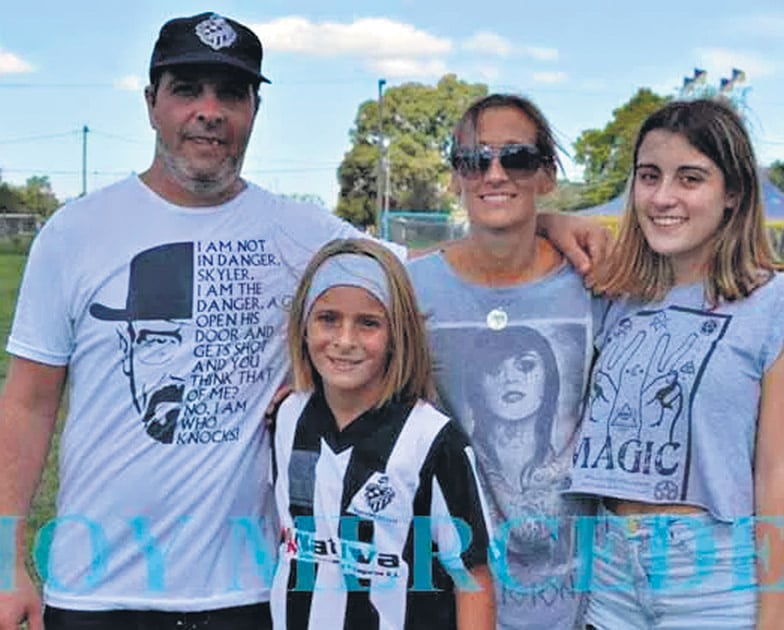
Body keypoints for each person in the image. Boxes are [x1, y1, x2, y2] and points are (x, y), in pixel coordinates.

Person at [0, 12, 606, 630]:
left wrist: (541, 221)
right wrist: (5, 564)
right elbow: (27, 403)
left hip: (245, 593)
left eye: (231, 93)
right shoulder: (75, 233)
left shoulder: (299, 231)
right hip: (97, 591)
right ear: (151, 101)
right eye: (186, 90)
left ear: (254, 110)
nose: (209, 111)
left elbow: (424, 268)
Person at [566, 98, 784, 629]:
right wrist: (551, 218)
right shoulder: (618, 296)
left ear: (733, 193)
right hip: (610, 578)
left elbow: (780, 476)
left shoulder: (780, 301)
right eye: (649, 176)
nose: (663, 197)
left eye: (690, 178)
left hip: (717, 583)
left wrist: (774, 621)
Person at [408, 93, 599, 629]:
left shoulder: (595, 281)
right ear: (455, 177)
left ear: (547, 174)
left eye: (516, 157)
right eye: (474, 160)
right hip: (452, 595)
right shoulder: (409, 288)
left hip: (578, 600)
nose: (494, 174)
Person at [271, 238, 494, 629]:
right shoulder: (288, 417)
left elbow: (472, 575)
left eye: (368, 323)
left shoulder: (432, 440)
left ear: (397, 334)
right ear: (303, 327)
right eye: (328, 318)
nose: (345, 341)